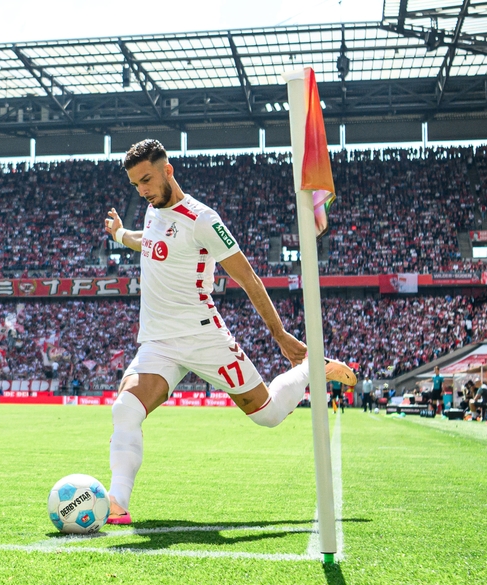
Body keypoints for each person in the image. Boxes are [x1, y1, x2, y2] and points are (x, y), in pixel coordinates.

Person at [102, 139, 356, 524]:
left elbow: (248, 277)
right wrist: (122, 235)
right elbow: (150, 241)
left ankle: (310, 369)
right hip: (158, 343)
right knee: (125, 409)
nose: (142, 191)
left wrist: (280, 335)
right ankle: (117, 502)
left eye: (147, 180)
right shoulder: (153, 211)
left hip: (204, 338)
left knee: (268, 415)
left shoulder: (203, 219)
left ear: (168, 170)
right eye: (136, 184)